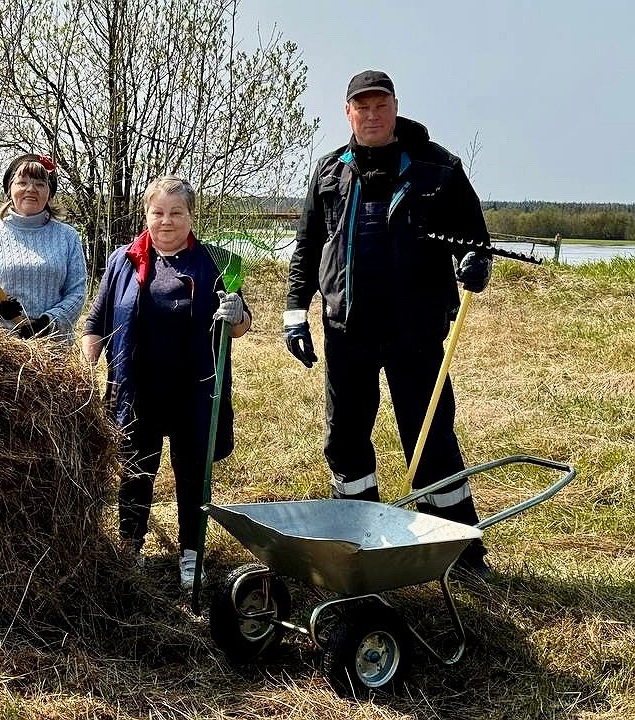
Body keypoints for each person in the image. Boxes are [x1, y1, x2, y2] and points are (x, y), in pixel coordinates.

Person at [284, 70, 495, 579]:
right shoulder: (328, 172)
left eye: (381, 106)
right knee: (345, 438)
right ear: (348, 113)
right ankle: (356, 542)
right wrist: (295, 312)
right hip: (347, 330)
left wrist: (475, 265)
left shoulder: (438, 168)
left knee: (431, 437)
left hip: (415, 332)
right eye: (363, 107)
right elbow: (308, 247)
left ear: (396, 108)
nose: (372, 115)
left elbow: (475, 240)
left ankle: (455, 552)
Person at [82, 176, 252, 589]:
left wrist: (237, 314)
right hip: (136, 389)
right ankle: (131, 548)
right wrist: (85, 370)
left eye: (176, 212)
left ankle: (191, 553)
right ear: (146, 215)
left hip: (194, 391)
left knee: (192, 474)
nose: (166, 221)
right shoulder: (123, 260)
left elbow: (241, 326)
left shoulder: (218, 263)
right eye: (158, 212)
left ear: (191, 215)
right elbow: (95, 323)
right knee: (135, 471)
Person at [0, 153, 87, 343]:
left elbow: (77, 293)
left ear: (50, 193)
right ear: (9, 189)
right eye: (22, 183)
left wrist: (48, 323)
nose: (31, 189)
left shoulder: (67, 237)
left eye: (40, 184)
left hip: (51, 351)